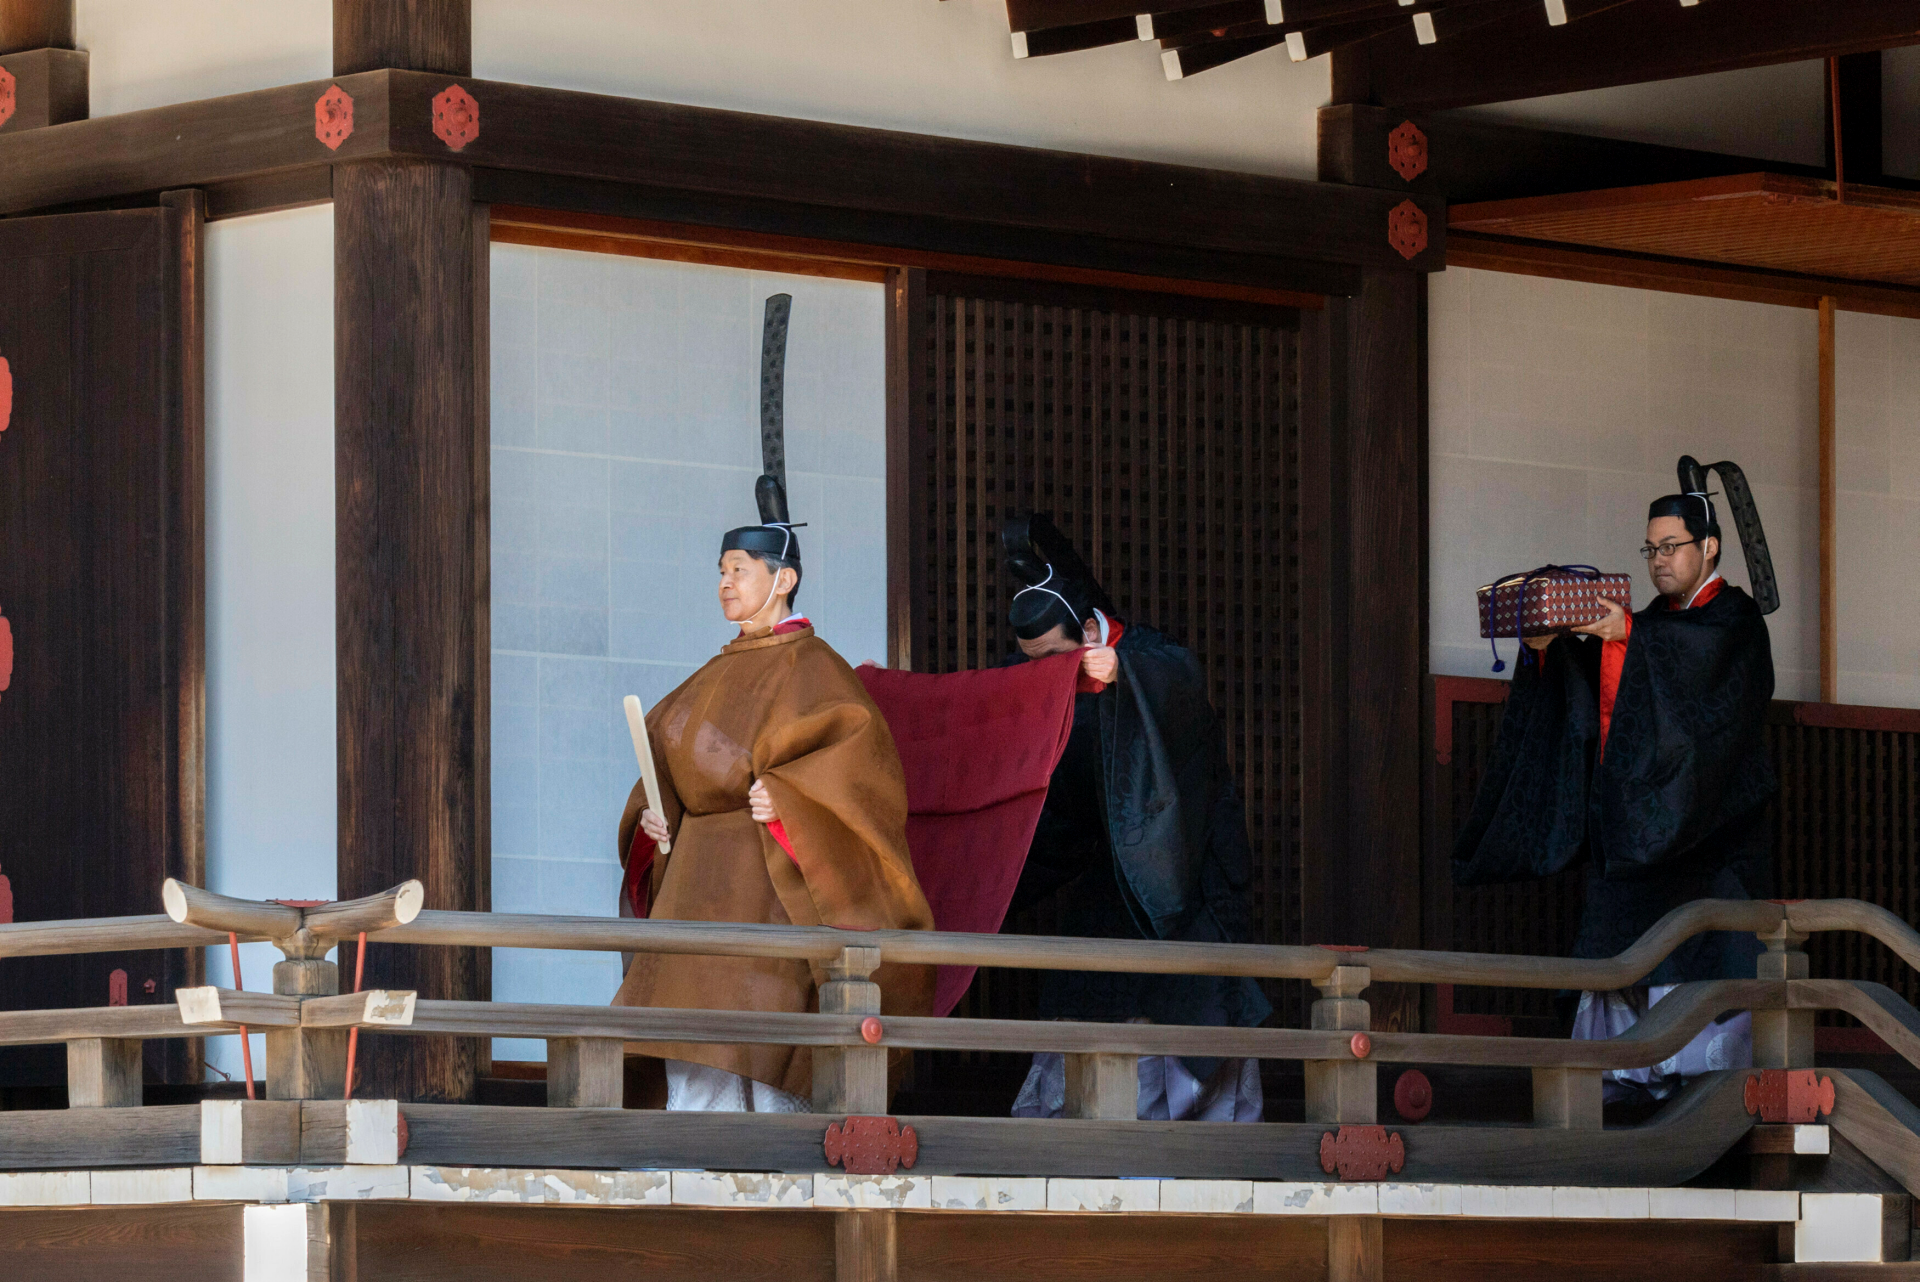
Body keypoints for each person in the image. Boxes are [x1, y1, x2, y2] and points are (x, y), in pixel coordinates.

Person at [1453, 463, 1778, 1101]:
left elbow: (1696, 688)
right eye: (1650, 548)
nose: (1658, 560)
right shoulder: (1655, 621)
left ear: (1708, 547)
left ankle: (1703, 1082)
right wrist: (1552, 645)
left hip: (1708, 837)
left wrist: (1628, 633)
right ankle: (1622, 1075)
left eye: (1671, 547)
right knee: (1617, 948)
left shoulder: (1735, 622)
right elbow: (1624, 665)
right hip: (1636, 830)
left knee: (1702, 951)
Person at [613, 478, 935, 1112]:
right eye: (722, 571)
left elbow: (860, 772)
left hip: (767, 882)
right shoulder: (711, 673)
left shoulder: (817, 669)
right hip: (696, 886)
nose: (725, 584)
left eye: (739, 569)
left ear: (783, 578)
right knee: (687, 1042)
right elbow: (666, 757)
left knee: (758, 1040)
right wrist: (657, 816)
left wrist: (790, 800)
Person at [999, 515, 1270, 1122]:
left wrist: (1123, 676)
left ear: (1087, 631)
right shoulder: (1055, 693)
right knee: (1084, 1005)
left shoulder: (1151, 659)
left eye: (1052, 658)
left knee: (1188, 1007)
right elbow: (1060, 818)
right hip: (1107, 883)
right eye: (1031, 662)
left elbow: (1179, 684)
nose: (1043, 672)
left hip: (1185, 874)